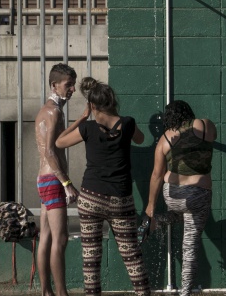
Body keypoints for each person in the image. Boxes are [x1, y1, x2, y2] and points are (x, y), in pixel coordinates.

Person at [55, 77, 150, 296]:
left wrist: (81, 118)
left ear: (93, 105)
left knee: (91, 260)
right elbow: (141, 139)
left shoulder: (87, 128)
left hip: (90, 199)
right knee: (132, 256)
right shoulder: (127, 123)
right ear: (112, 101)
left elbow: (59, 142)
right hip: (120, 200)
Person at [144, 100, 217, 296]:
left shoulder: (164, 139)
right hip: (198, 193)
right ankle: (185, 293)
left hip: (173, 194)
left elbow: (156, 175)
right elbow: (212, 139)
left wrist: (150, 206)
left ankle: (159, 219)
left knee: (178, 213)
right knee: (190, 244)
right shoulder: (205, 125)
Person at [35, 63, 79, 296]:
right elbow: (51, 151)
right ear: (54, 85)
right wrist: (67, 184)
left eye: (73, 84)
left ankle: (46, 291)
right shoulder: (54, 112)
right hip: (53, 180)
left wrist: (81, 120)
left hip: (44, 179)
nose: (72, 89)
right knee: (60, 240)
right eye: (68, 85)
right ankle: (61, 293)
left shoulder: (47, 110)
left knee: (46, 237)